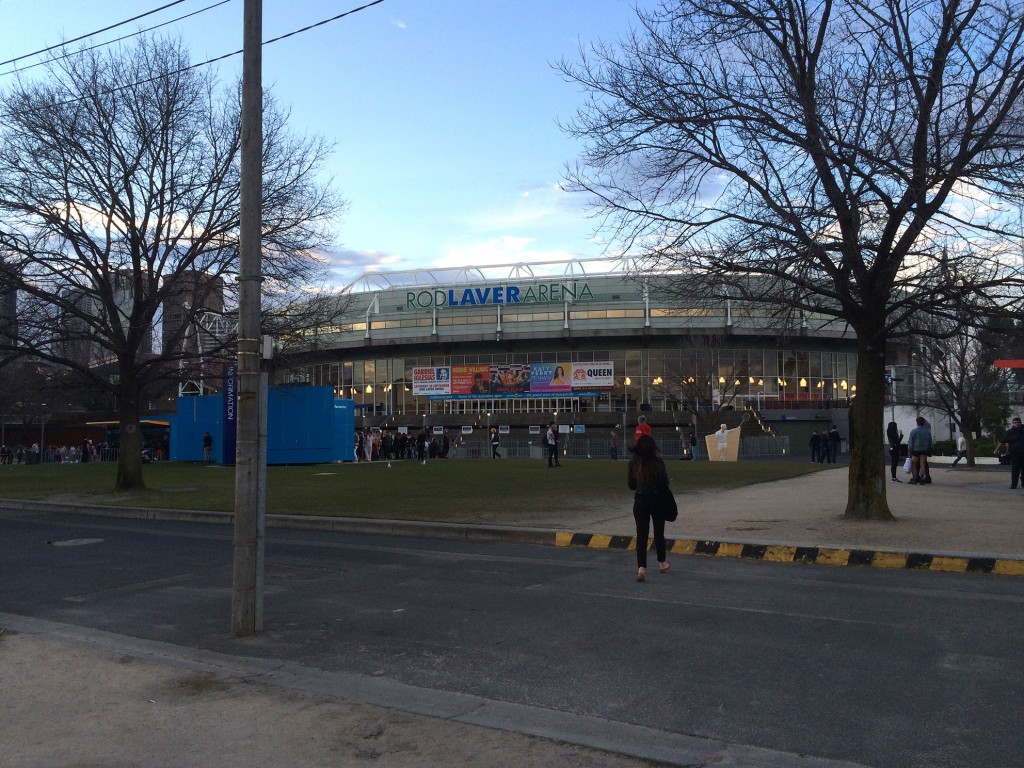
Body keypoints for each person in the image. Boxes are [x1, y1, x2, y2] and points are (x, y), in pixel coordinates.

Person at [627, 434, 672, 582]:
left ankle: (641, 568)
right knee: (659, 532)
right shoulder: (658, 461)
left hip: (640, 500)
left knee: (642, 535)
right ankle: (661, 562)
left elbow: (631, 485)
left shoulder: (634, 462)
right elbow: (664, 481)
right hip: (656, 499)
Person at [998, 416, 1024, 489]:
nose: (1016, 424)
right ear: (1013, 423)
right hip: (1014, 454)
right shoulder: (1010, 432)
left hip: (1023, 453)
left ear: (1020, 423)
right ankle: (1014, 484)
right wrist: (996, 449)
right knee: (1015, 469)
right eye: (1015, 423)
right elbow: (1002, 440)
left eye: (1018, 422)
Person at [907, 416, 932, 485]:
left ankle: (915, 478)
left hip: (915, 449)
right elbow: (930, 442)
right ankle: (922, 478)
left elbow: (910, 443)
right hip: (924, 450)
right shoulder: (927, 432)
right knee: (922, 464)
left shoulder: (913, 431)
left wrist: (910, 451)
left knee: (913, 464)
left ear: (917, 422)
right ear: (924, 423)